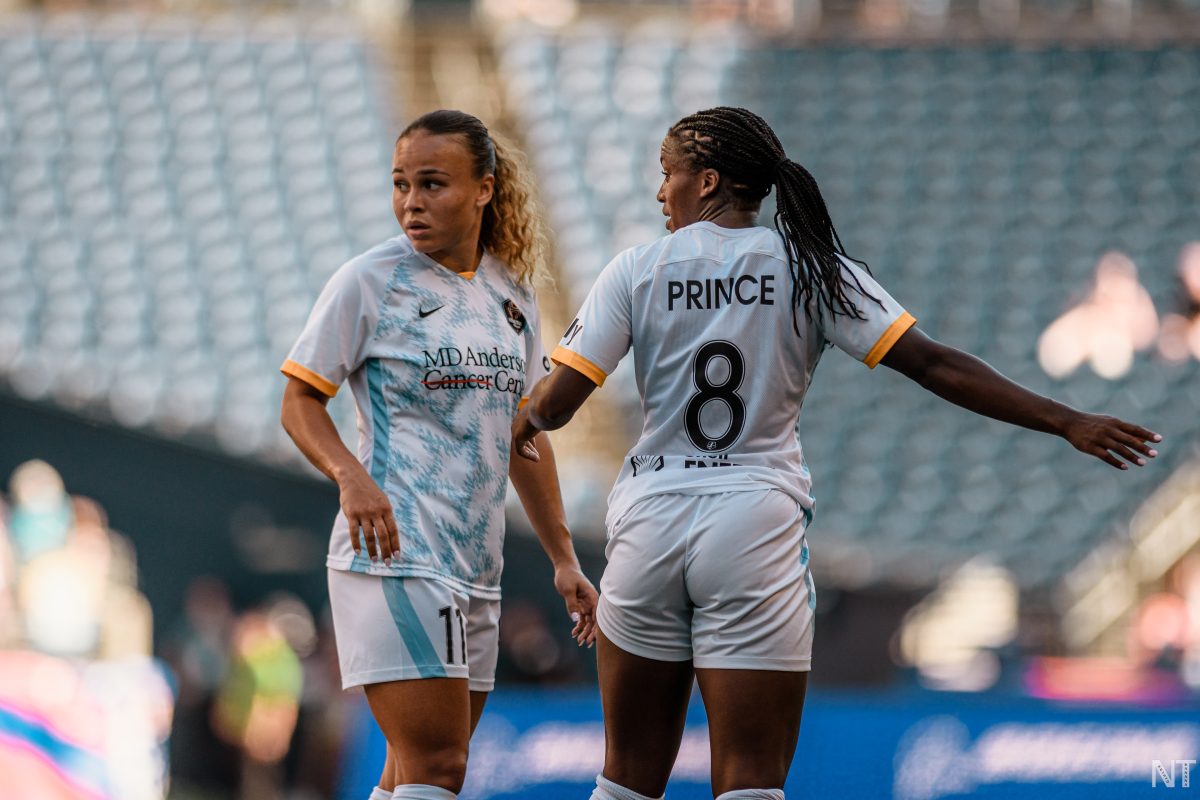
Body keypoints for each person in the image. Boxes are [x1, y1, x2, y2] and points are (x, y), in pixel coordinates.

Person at [512, 106, 1162, 800]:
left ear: (705, 182)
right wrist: (1066, 421)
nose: (658, 192)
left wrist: (512, 415)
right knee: (750, 783)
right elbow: (935, 365)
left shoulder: (636, 270)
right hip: (753, 519)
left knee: (626, 782)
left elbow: (555, 407)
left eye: (666, 174)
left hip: (649, 521)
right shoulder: (812, 268)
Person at [280, 109, 597, 800]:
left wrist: (564, 558)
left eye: (432, 184)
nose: (411, 203)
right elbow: (299, 402)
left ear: (485, 189)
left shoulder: (510, 296)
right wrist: (350, 477)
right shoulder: (368, 282)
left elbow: (524, 437)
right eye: (400, 185)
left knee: (410, 774)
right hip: (395, 555)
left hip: (476, 568)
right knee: (439, 769)